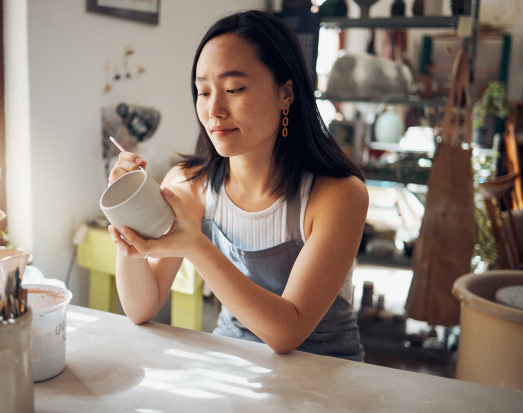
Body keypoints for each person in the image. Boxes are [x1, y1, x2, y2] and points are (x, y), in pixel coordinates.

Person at [108, 10, 368, 361]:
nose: (214, 109)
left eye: (234, 89)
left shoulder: (339, 195)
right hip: (233, 365)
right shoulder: (189, 185)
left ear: (286, 93)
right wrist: (129, 227)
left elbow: (287, 332)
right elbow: (141, 308)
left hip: (327, 374)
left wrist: (197, 247)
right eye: (202, 92)